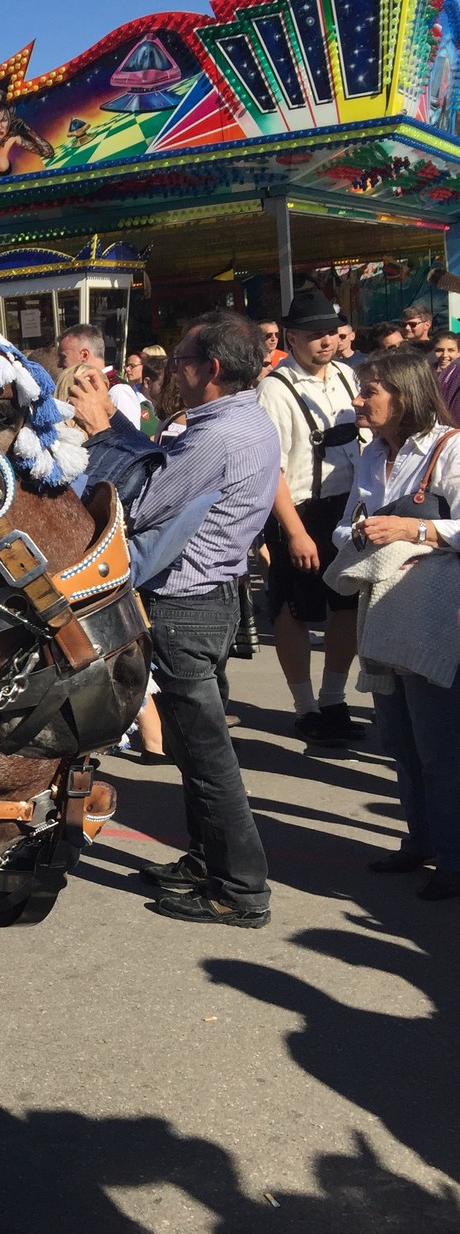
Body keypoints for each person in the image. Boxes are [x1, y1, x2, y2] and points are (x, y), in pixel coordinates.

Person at [70, 312, 281, 926]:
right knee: (195, 748)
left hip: (187, 606)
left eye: (181, 361)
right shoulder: (233, 421)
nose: (170, 374)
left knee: (208, 755)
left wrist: (109, 426)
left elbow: (145, 498)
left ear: (210, 369)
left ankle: (241, 889)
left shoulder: (219, 435)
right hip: (202, 602)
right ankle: (209, 860)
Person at [325, 349, 460, 900]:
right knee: (399, 739)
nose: (360, 399)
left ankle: (453, 858)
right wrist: (358, 534)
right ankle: (419, 841)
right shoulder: (370, 454)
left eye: (371, 388)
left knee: (440, 744)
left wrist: (415, 530)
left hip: (431, 615)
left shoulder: (451, 449)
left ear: (405, 393)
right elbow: (344, 526)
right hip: (382, 610)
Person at [256, 288, 365, 746]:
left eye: (331, 333)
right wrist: (296, 532)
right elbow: (271, 470)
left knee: (347, 604)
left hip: (346, 507)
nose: (326, 342)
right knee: (293, 608)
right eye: (316, 334)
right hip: (298, 510)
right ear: (291, 336)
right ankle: (305, 707)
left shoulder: (345, 376)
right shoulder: (274, 389)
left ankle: (334, 698)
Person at [58, 323, 146, 424]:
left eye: (63, 357)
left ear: (84, 355)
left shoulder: (119, 391)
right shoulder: (86, 386)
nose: (59, 364)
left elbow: (128, 437)